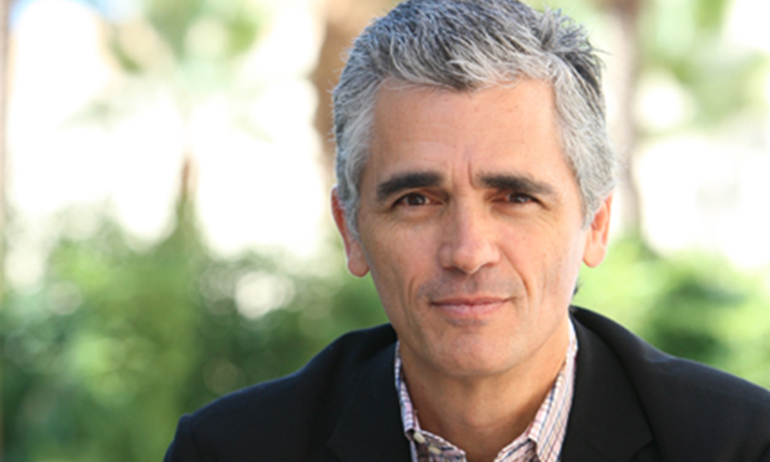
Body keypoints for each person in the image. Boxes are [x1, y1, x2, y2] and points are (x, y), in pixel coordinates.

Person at [164, 1, 770, 461]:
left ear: (596, 223)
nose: (468, 251)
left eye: (515, 197)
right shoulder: (229, 451)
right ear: (351, 230)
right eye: (417, 200)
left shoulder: (741, 444)